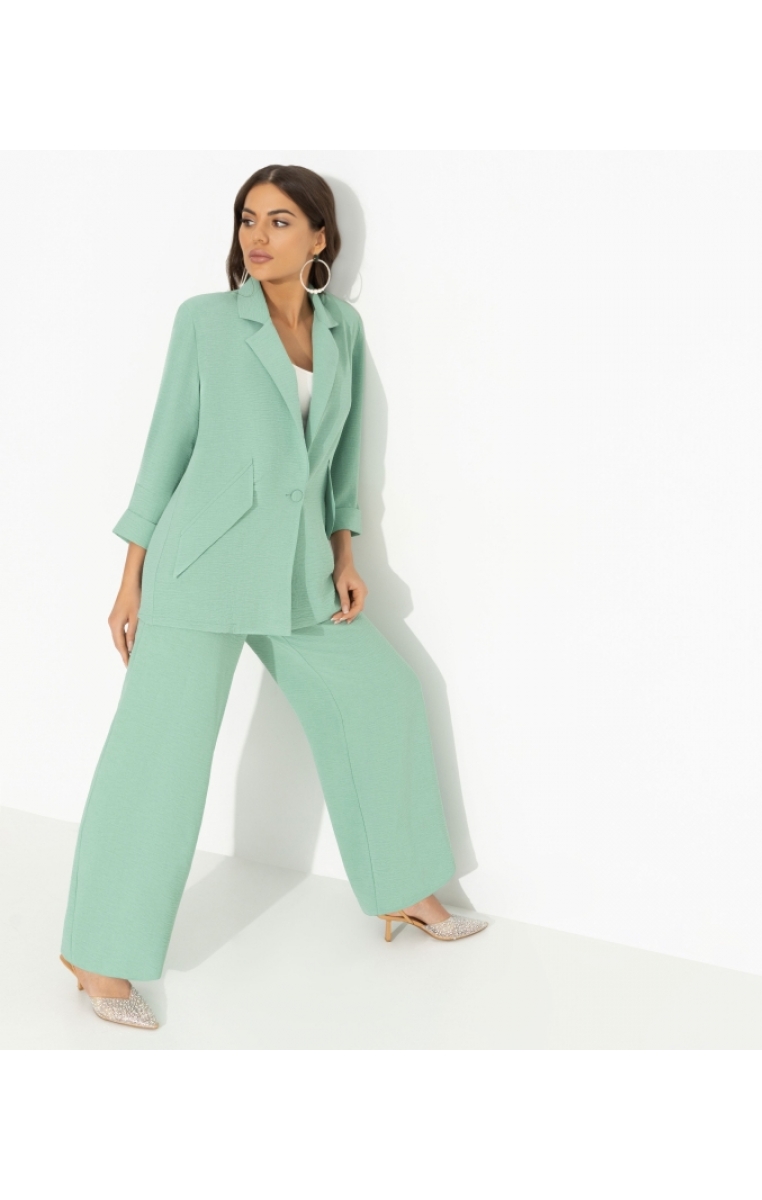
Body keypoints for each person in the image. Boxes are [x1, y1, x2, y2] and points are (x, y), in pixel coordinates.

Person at [58, 164, 488, 1031]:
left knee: (381, 695)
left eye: (281, 221)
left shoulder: (342, 328)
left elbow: (339, 452)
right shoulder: (207, 322)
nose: (257, 236)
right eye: (248, 219)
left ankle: (403, 887)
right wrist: (131, 575)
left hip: (297, 571)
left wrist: (344, 550)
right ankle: (98, 952)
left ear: (320, 238)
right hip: (199, 568)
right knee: (159, 760)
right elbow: (167, 446)